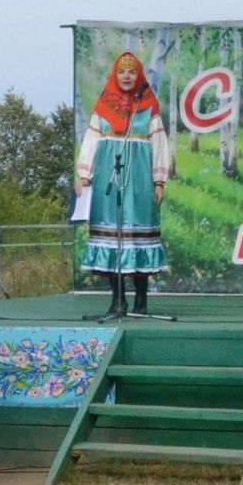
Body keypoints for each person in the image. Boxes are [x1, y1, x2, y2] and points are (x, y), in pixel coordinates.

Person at [76, 51, 173, 316]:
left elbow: (159, 143)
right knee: (112, 236)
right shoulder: (105, 104)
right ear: (115, 75)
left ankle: (141, 302)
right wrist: (84, 173)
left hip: (140, 178)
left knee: (138, 238)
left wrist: (159, 181)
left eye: (131, 71)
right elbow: (92, 139)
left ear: (138, 74)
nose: (126, 76)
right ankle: (117, 301)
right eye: (121, 71)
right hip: (110, 175)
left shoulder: (148, 105)